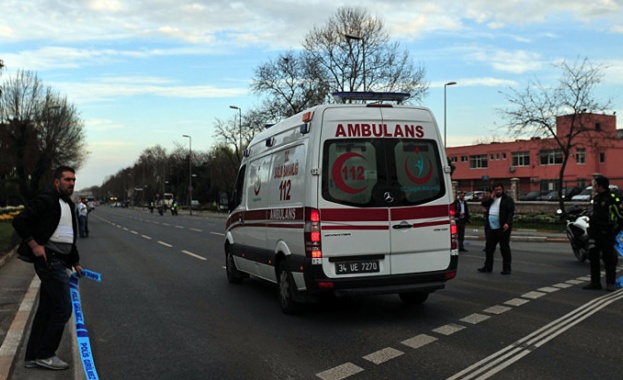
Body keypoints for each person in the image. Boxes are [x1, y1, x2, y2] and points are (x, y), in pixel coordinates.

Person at [12, 166, 83, 370]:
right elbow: (20, 221)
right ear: (56, 181)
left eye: (73, 180)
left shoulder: (69, 204)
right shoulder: (46, 200)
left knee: (46, 309)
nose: (71, 183)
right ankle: (46, 354)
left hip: (61, 261)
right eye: (67, 179)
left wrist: (75, 261)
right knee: (63, 308)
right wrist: (34, 245)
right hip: (49, 260)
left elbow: (69, 235)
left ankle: (33, 357)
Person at [583, 176, 621, 291]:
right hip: (595, 233)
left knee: (609, 260)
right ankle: (595, 283)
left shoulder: (611, 198)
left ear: (600, 186)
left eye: (595, 184)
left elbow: (619, 216)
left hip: (606, 234)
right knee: (594, 258)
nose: (593, 187)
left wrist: (615, 231)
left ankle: (610, 283)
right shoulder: (596, 198)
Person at [478, 183, 515, 275]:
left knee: (504, 248)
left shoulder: (507, 199)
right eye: (496, 190)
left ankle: (506, 268)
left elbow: (511, 212)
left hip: (502, 227)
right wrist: (491, 197)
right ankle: (487, 267)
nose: (498, 191)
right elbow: (483, 204)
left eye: (499, 189)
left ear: (502, 189)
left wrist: (507, 223)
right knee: (489, 248)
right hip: (491, 227)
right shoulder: (491, 199)